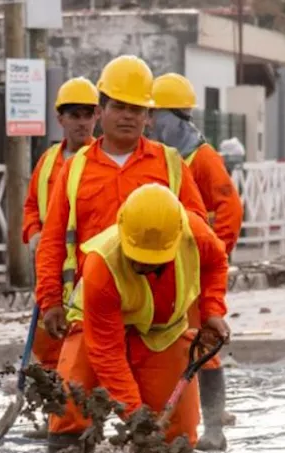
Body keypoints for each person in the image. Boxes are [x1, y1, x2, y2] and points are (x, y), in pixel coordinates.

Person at [46, 184, 230, 453]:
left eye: (155, 262)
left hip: (163, 331)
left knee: (180, 422)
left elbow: (217, 263)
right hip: (96, 328)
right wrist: (136, 417)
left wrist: (212, 310)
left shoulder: (195, 235)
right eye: (139, 262)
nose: (145, 268)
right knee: (70, 399)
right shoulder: (102, 266)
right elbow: (107, 353)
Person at [35, 54, 209, 354]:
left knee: (164, 402)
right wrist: (49, 301)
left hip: (158, 318)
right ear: (101, 111)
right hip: (91, 308)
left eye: (136, 109)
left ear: (148, 116)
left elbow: (200, 241)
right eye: (119, 106)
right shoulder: (74, 169)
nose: (127, 116)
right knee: (76, 399)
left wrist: (208, 310)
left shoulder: (171, 165)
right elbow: (52, 240)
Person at [149, 72, 245, 451]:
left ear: (174, 117)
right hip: (161, 268)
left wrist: (213, 254)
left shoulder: (202, 159)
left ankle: (214, 428)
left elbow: (229, 209)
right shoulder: (160, 157)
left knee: (202, 340)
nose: (150, 123)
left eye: (156, 116)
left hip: (196, 269)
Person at [23, 76, 100, 370]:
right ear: (60, 119)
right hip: (52, 269)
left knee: (88, 342)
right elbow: (31, 205)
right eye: (74, 115)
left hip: (86, 270)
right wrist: (34, 234)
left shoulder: (100, 161)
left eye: (87, 115)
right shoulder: (47, 162)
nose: (82, 123)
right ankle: (50, 401)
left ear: (97, 117)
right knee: (49, 341)